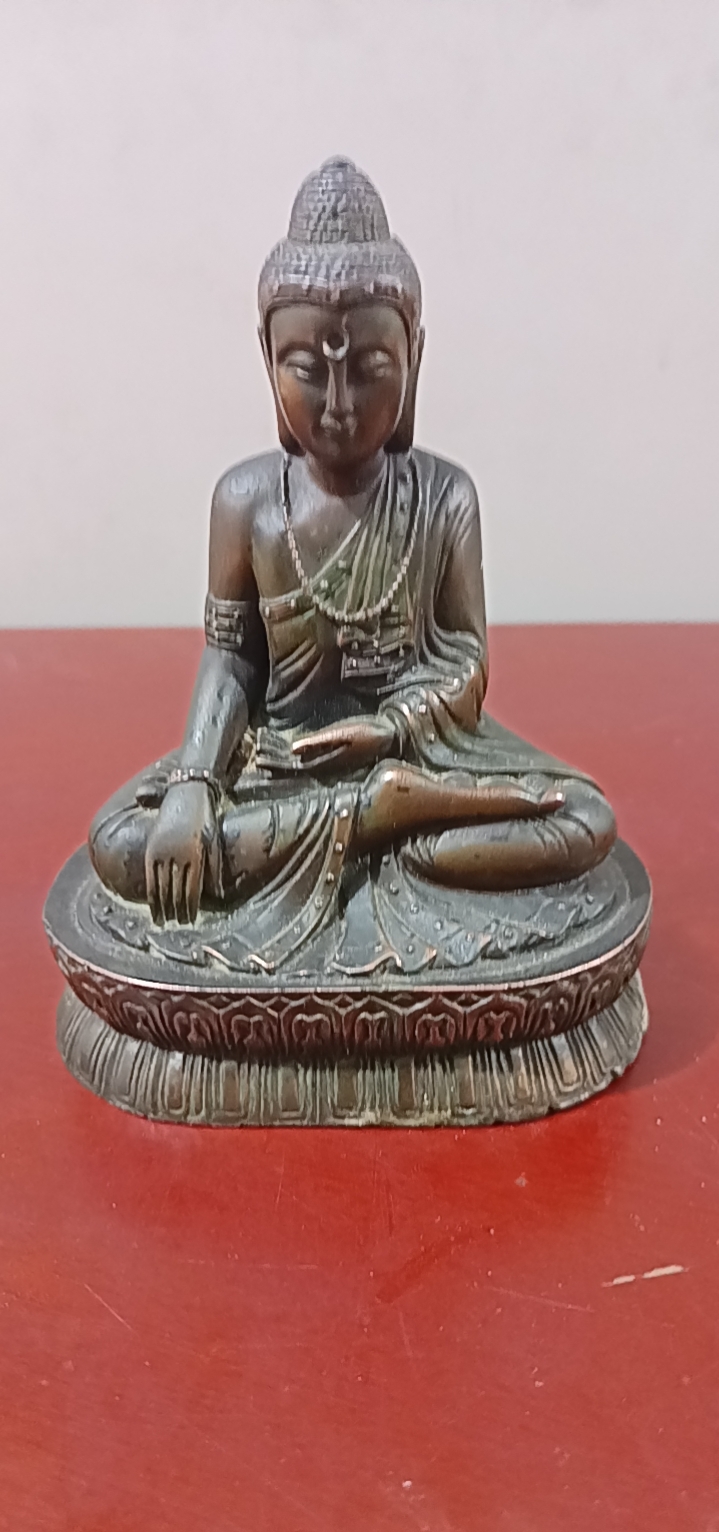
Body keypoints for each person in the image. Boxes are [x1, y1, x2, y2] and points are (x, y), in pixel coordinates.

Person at [89, 157, 615, 970]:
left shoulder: (443, 497)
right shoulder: (245, 501)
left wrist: (391, 729)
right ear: (266, 358)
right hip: (279, 765)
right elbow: (232, 658)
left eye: (370, 370)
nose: (337, 405)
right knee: (121, 842)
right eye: (306, 369)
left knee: (582, 819)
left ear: (415, 359)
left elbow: (466, 659)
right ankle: (382, 821)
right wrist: (195, 782)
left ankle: (394, 807)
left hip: (418, 755)